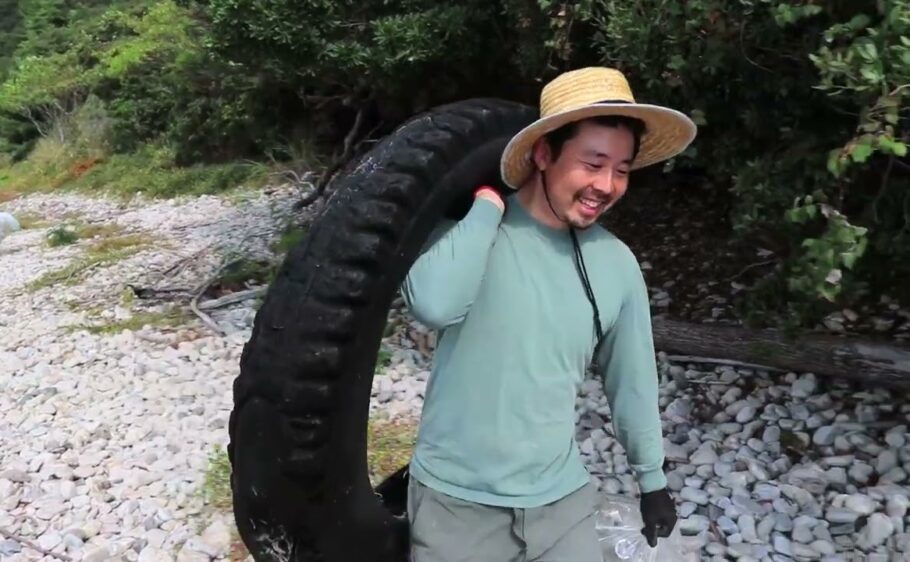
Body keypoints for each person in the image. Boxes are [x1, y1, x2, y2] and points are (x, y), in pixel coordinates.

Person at [399, 66, 697, 562]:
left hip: (562, 503)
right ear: (543, 154)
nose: (606, 185)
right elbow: (433, 305)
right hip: (456, 505)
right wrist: (488, 204)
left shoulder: (617, 264)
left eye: (622, 170)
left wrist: (652, 481)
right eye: (593, 163)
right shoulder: (471, 232)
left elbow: (633, 382)